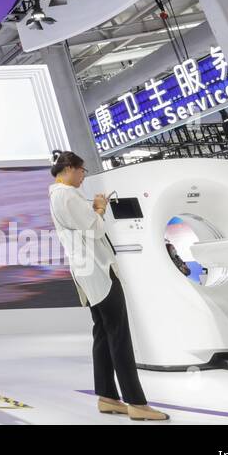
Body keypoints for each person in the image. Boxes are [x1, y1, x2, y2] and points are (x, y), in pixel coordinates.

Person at [47, 151, 169, 422]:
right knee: (118, 334)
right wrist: (100, 207)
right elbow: (94, 229)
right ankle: (136, 402)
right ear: (68, 168)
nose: (83, 176)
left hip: (88, 271)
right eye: (82, 170)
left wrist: (93, 211)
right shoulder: (66, 195)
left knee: (103, 333)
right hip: (99, 273)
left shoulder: (58, 196)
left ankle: (107, 397)